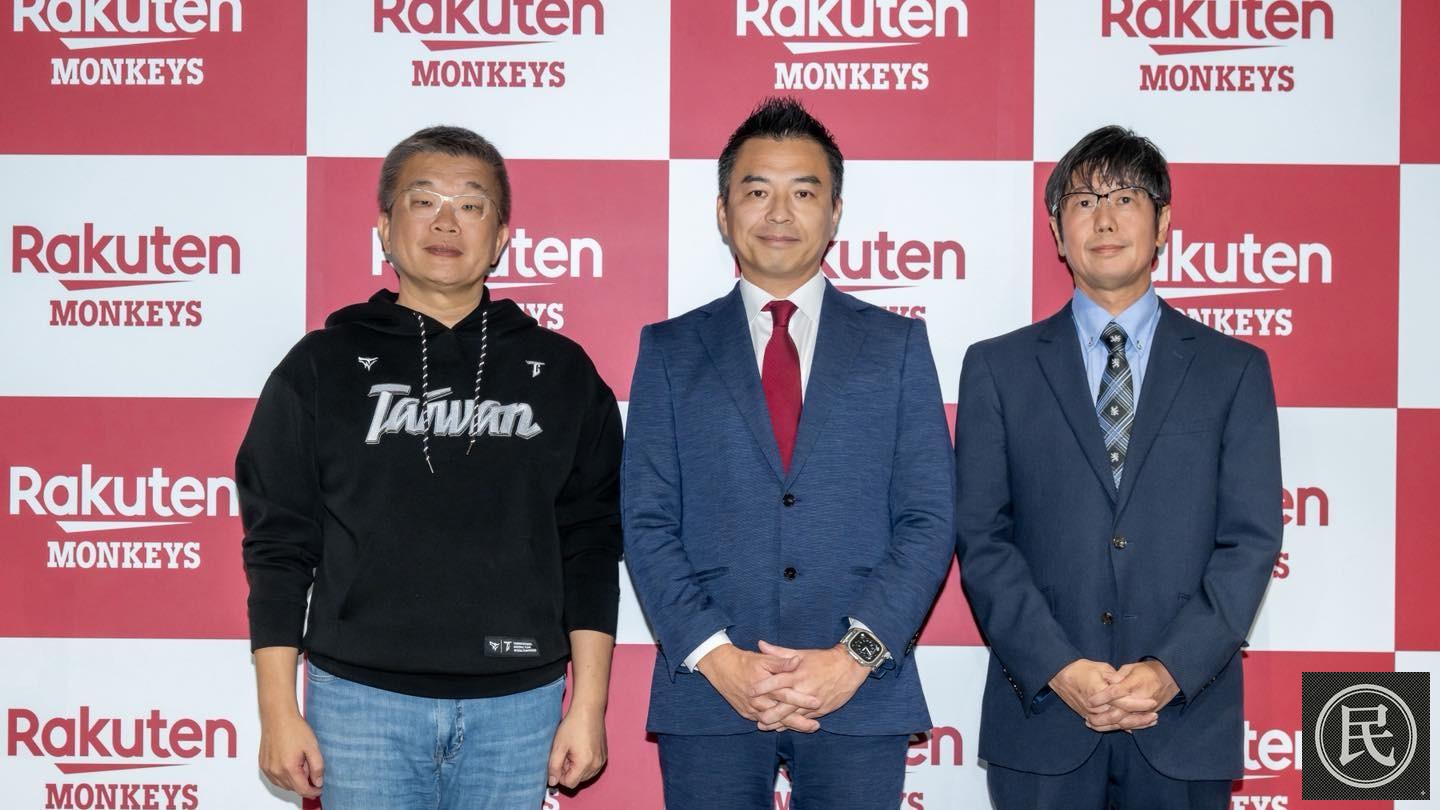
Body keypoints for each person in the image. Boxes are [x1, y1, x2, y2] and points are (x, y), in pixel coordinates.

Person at [238, 125, 622, 809]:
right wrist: (278, 710)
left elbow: (590, 544)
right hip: (359, 704)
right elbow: (278, 546)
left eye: (470, 205)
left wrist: (587, 705)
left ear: (500, 237)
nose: (447, 222)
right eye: (424, 201)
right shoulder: (319, 368)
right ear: (386, 228)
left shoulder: (563, 373)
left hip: (519, 706)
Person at [622, 97, 955, 809]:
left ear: (835, 214)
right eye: (757, 191)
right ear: (723, 213)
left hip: (860, 689)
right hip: (709, 689)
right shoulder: (670, 350)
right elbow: (646, 521)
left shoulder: (896, 346)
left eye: (803, 192)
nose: (779, 213)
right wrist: (718, 658)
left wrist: (853, 659)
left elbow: (928, 519)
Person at [955, 125, 1282, 809]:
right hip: (1042, 717)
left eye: (1126, 198)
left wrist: (1170, 669)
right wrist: (1057, 666)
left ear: (1163, 223)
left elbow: (1250, 541)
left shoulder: (1233, 370)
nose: (1104, 219)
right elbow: (982, 539)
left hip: (1183, 719)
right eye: (1083, 201)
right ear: (1057, 230)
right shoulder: (996, 368)